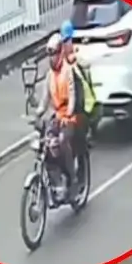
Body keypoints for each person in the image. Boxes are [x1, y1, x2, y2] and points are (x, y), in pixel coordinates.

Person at [32, 33, 80, 198]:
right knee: (46, 144)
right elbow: (45, 100)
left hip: (69, 117)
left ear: (60, 53)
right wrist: (37, 114)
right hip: (57, 116)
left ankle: (72, 179)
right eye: (49, 55)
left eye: (54, 54)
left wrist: (69, 114)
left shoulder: (68, 71)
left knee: (62, 141)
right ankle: (55, 180)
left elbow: (72, 95)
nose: (51, 58)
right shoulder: (49, 76)